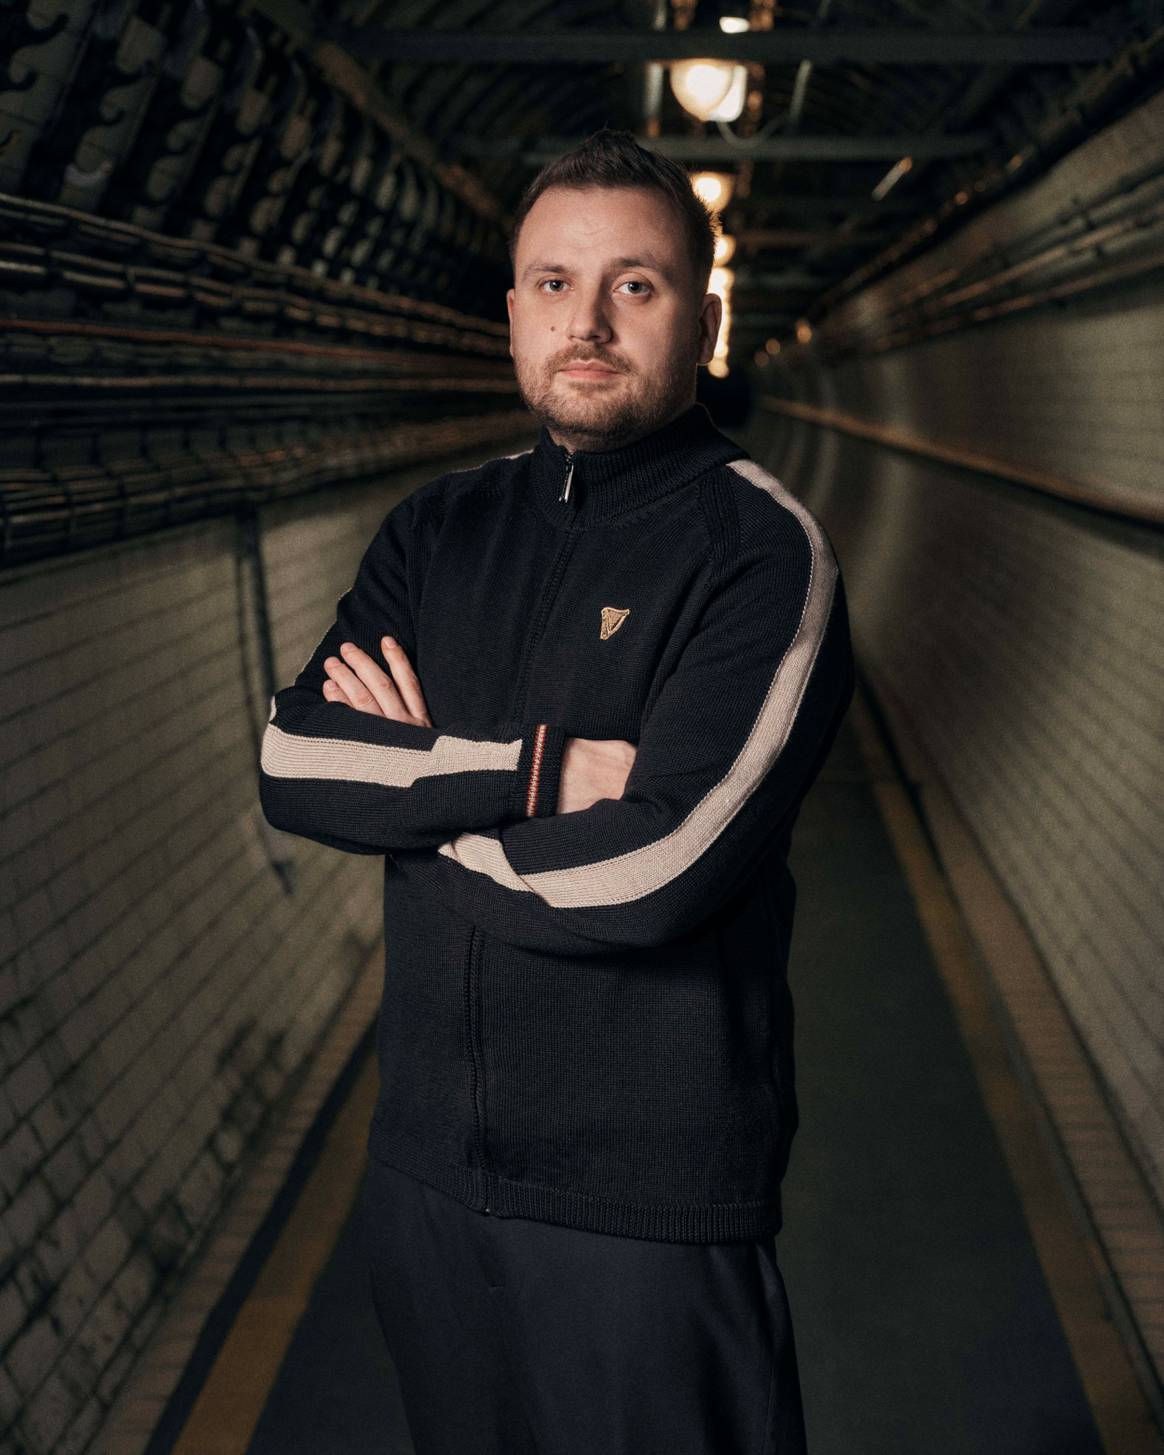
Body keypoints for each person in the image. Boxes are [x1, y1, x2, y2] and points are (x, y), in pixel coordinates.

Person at [259, 127, 854, 1455]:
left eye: (634, 285)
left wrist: (419, 808)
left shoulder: (760, 554)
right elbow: (294, 761)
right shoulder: (437, 531)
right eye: (552, 283)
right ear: (514, 312)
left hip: (644, 1218)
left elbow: (658, 871)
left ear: (704, 322)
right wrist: (536, 775)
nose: (585, 322)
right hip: (427, 1184)